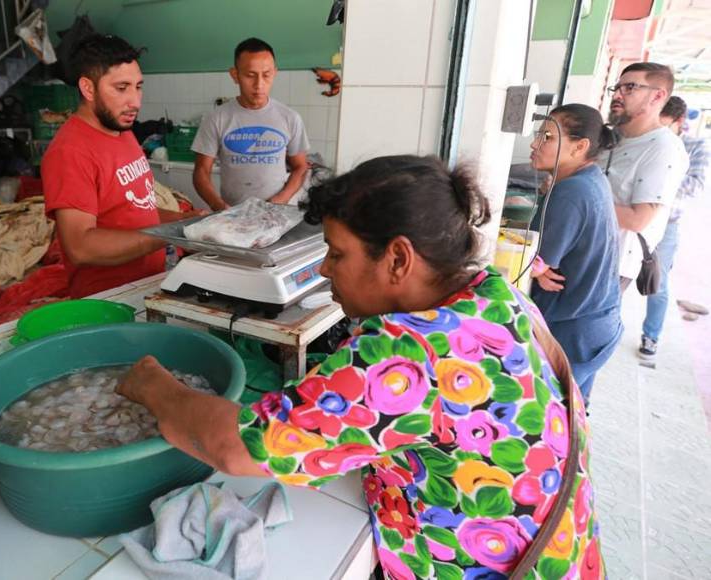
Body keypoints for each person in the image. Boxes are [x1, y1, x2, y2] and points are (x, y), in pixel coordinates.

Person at [117, 156, 605, 579]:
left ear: (397, 258)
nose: (326, 270)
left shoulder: (409, 351)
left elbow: (234, 448)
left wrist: (154, 386)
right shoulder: (494, 293)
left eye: (337, 253)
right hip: (563, 551)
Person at [43, 34, 197, 299]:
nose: (135, 102)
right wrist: (175, 234)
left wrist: (190, 222)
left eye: (138, 86)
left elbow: (136, 207)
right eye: (121, 87)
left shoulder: (121, 130)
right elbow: (80, 247)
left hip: (146, 287)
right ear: (88, 89)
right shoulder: (70, 152)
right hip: (107, 301)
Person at [528, 104, 623, 401]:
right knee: (573, 415)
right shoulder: (590, 178)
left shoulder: (571, 192)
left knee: (550, 413)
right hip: (596, 321)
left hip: (572, 328)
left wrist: (539, 268)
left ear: (579, 147)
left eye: (547, 137)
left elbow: (534, 262)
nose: (535, 144)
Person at [191, 38, 309, 210]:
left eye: (266, 75)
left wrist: (281, 199)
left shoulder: (290, 118)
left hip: (275, 214)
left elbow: (300, 167)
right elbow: (201, 171)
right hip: (231, 215)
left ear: (275, 73)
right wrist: (218, 206)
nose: (259, 84)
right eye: (250, 75)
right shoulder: (216, 118)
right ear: (235, 75)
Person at [603, 62, 688, 294]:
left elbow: (637, 220)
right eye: (617, 88)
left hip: (609, 267)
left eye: (630, 87)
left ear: (657, 96)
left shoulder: (663, 148)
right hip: (577, 251)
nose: (618, 95)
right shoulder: (612, 137)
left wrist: (578, 201)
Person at [639, 96, 709, 360]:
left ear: (679, 122)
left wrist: (655, 184)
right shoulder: (649, 139)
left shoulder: (696, 147)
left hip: (666, 224)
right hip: (636, 218)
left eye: (666, 126)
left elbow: (695, 186)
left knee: (657, 282)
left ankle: (651, 335)